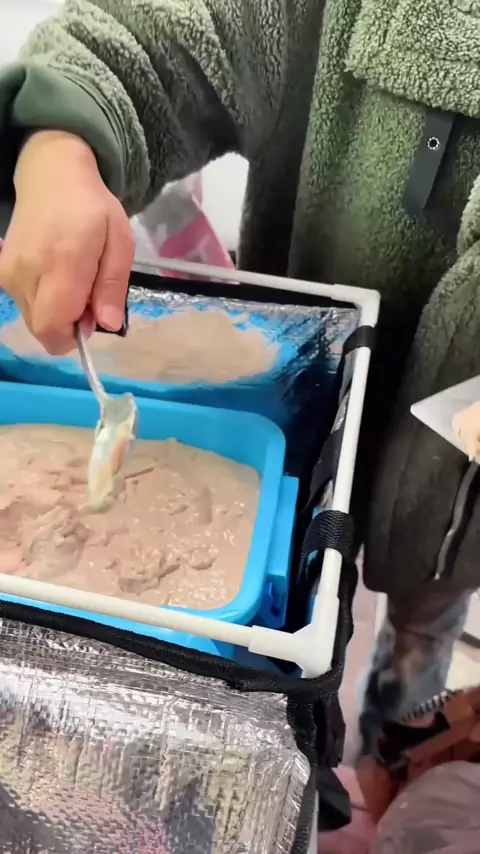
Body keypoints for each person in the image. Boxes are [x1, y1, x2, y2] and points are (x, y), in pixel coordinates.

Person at [0, 0, 479, 752]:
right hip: (314, 401)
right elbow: (162, 33)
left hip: (459, 508)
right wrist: (59, 147)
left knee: (422, 627)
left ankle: (393, 756)